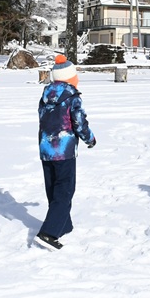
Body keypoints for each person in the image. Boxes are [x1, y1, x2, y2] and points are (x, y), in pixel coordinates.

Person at [35, 54, 96, 250]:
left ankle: (63, 224)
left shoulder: (45, 96)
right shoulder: (72, 97)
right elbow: (79, 122)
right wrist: (90, 138)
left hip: (45, 149)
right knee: (65, 190)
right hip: (64, 151)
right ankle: (48, 233)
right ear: (70, 78)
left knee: (53, 188)